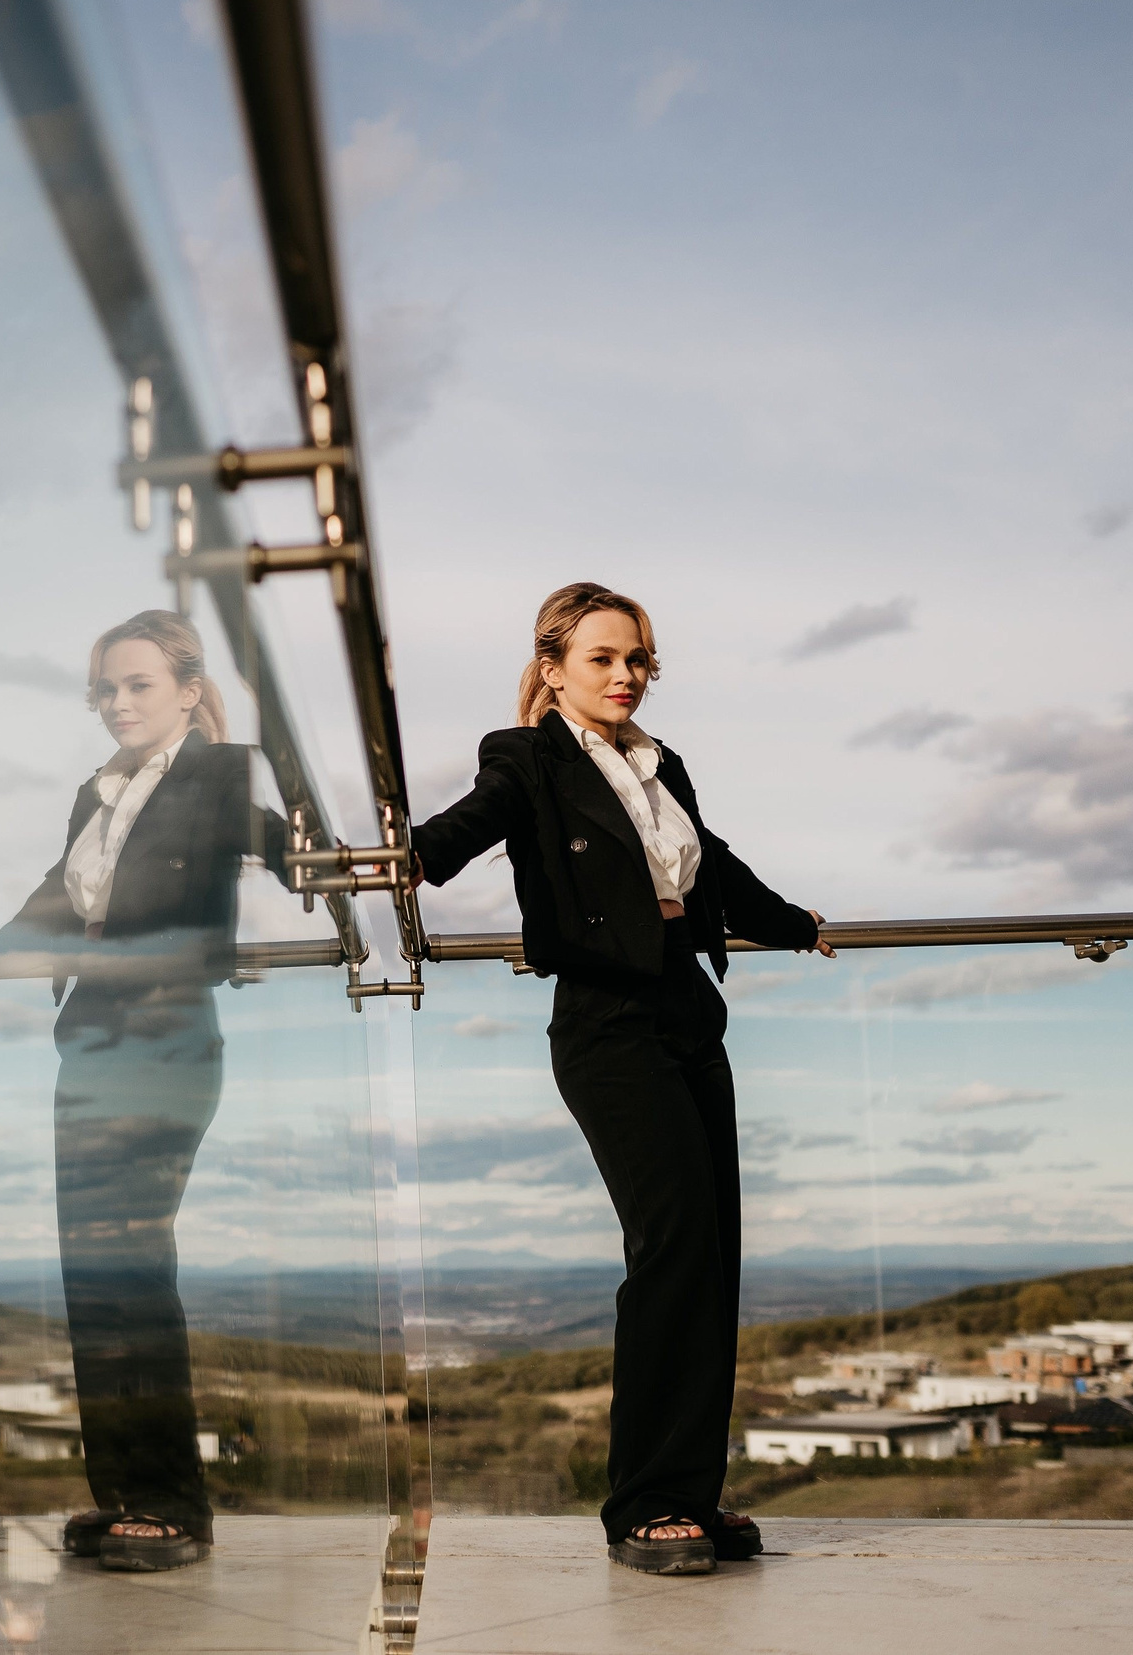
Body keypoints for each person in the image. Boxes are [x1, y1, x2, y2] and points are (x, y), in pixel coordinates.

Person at [409, 583, 833, 1577]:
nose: (625, 676)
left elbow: (708, 864)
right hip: (604, 1023)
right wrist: (414, 856)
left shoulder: (659, 760)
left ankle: (685, 1489)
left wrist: (790, 920)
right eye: (602, 657)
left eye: (637, 658)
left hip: (688, 1011)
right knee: (670, 1240)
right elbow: (472, 821)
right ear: (552, 665)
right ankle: (643, 1502)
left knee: (711, 1248)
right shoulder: (526, 757)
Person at [0, 609, 276, 1574]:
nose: (117, 703)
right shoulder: (93, 794)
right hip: (92, 1042)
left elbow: (276, 841)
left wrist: (322, 868)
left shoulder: (220, 774)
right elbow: (62, 891)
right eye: (106, 687)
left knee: (136, 1270)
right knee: (94, 1278)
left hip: (168, 1040)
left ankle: (175, 1505)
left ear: (188, 690)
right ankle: (126, 1495)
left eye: (138, 684)